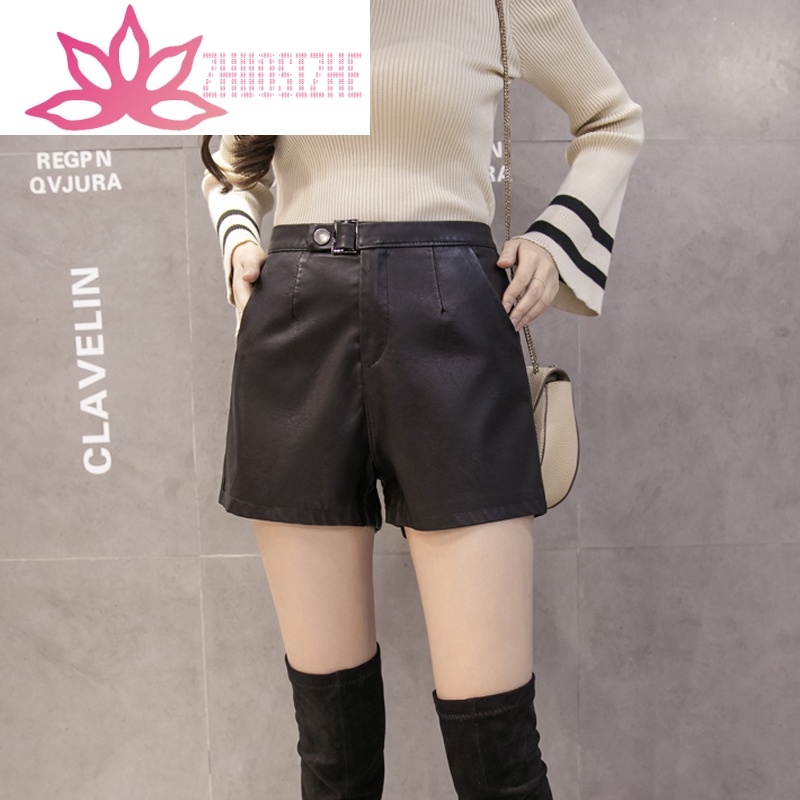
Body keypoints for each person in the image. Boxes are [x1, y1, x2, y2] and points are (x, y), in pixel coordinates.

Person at [200, 0, 643, 797]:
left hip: (454, 328)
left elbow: (612, 120)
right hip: (297, 327)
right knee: (331, 754)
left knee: (498, 757)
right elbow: (230, 166)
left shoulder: (504, 5)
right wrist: (239, 239)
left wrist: (556, 238)